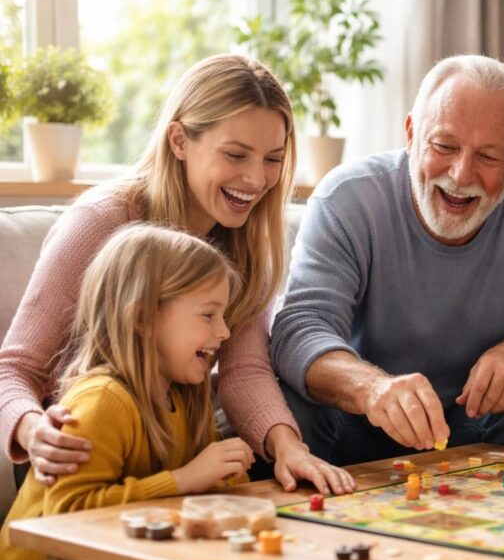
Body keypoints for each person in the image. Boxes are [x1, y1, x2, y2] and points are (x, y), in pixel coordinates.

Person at [0, 54, 354, 496]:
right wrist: (34, 432)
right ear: (179, 140)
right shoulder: (102, 221)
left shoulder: (248, 240)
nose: (256, 178)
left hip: (165, 445)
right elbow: (13, 368)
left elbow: (243, 370)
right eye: (236, 154)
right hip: (76, 456)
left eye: (273, 159)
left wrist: (288, 446)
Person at [271, 55, 504, 465]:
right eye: (444, 146)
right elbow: (300, 328)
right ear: (411, 132)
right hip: (357, 419)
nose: (461, 174)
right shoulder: (348, 197)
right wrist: (372, 390)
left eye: (489, 157)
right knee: (297, 393)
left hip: (476, 423)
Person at [0, 225, 254, 560]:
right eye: (209, 315)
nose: (224, 331)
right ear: (141, 318)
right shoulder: (101, 401)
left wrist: (224, 475)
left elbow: (198, 494)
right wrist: (184, 480)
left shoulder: (188, 398)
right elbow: (69, 514)